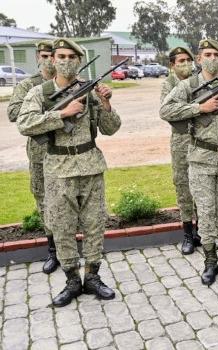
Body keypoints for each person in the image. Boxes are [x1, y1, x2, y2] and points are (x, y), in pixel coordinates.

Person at [17, 38, 121, 306]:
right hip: (58, 170)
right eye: (60, 56)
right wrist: (62, 114)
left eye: (71, 57)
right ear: (51, 60)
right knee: (62, 228)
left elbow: (111, 128)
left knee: (95, 225)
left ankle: (93, 277)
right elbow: (25, 123)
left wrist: (106, 104)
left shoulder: (90, 91)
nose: (65, 61)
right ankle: (72, 280)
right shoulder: (40, 93)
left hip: (90, 165)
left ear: (79, 61)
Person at [160, 39, 218, 286]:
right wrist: (198, 108)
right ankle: (210, 261)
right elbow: (165, 110)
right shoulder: (189, 85)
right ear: (199, 58)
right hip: (201, 159)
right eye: (207, 54)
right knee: (206, 212)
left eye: (216, 54)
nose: (212, 58)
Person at [6, 40, 59, 274]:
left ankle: (70, 247)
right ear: (38, 56)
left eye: (53, 55)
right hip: (40, 152)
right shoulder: (28, 85)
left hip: (65, 150)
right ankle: (52, 251)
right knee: (44, 200)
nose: (49, 60)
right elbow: (13, 113)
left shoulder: (65, 82)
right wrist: (45, 109)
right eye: (45, 55)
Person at [160, 46, 201, 255]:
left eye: (188, 60)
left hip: (202, 140)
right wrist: (195, 108)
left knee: (201, 184)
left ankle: (201, 230)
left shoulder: (200, 80)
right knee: (183, 186)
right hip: (181, 141)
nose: (185, 64)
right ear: (172, 65)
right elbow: (168, 112)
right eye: (180, 61)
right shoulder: (168, 84)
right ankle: (187, 232)